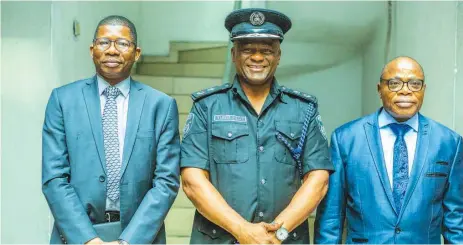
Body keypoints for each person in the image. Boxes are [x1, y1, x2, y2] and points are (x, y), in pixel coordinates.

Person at [180, 8, 334, 244]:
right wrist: (242, 230)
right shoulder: (207, 107)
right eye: (248, 50)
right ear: (233, 54)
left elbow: (318, 180)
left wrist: (276, 235)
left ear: (279, 55)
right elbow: (192, 181)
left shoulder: (304, 109)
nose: (257, 58)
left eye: (266, 51)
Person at [42, 15, 180, 244]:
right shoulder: (63, 100)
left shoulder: (161, 105)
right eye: (104, 42)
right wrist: (88, 240)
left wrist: (128, 241)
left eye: (123, 43)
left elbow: (166, 181)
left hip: (139, 236)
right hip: (75, 236)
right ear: (92, 49)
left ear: (136, 53)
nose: (112, 50)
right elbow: (54, 177)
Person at [314, 56, 463, 244]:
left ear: (424, 90)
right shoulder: (346, 138)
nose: (405, 91)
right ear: (379, 89)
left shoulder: (448, 142)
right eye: (394, 83)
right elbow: (331, 217)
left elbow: (456, 221)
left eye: (415, 84)